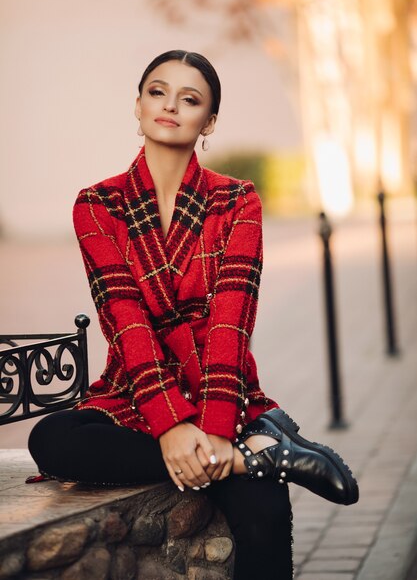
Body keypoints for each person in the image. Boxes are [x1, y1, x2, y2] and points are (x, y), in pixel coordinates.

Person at [28, 49, 358, 580]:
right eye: (157, 92)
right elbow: (124, 318)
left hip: (219, 387)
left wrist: (213, 427)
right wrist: (169, 426)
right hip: (138, 389)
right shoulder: (97, 204)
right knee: (51, 441)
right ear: (137, 105)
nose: (170, 106)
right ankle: (258, 456)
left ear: (209, 121)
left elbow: (232, 322)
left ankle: (241, 452)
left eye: (190, 99)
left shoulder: (237, 200)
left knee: (265, 514)